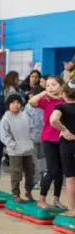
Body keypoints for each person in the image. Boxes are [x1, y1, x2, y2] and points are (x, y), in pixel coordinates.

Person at [29, 75, 66, 209]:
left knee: (60, 171)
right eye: (48, 85)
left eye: (54, 85)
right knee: (51, 170)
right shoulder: (46, 101)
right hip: (49, 139)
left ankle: (56, 199)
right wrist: (44, 92)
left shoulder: (66, 100)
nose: (50, 87)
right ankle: (42, 199)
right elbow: (31, 102)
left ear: (61, 86)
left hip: (63, 139)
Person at [0, 94, 36, 203]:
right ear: (8, 105)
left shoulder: (25, 116)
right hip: (15, 152)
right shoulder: (5, 119)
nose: (16, 105)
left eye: (18, 102)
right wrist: (13, 145)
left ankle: (28, 191)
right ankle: (16, 194)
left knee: (30, 173)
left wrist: (31, 140)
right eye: (13, 102)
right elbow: (4, 136)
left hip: (28, 150)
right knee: (16, 174)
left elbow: (33, 128)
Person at [50, 83, 75, 215]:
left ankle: (73, 210)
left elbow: (53, 120)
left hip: (68, 145)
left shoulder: (61, 107)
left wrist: (64, 130)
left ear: (64, 94)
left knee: (71, 179)